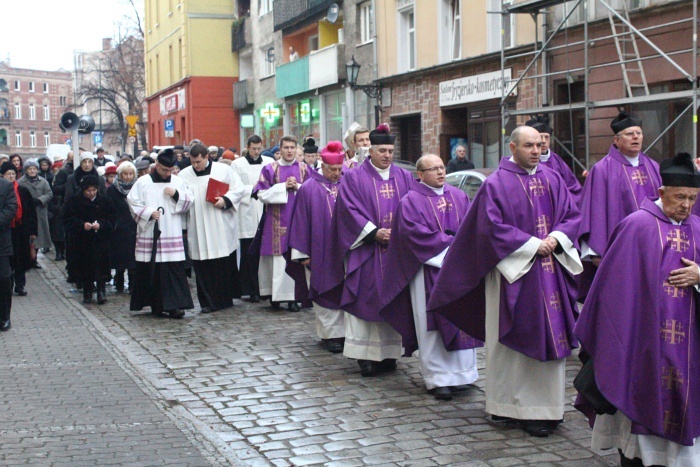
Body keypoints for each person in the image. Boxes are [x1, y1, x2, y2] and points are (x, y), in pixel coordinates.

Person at [428, 125, 582, 437]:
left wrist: (555, 237)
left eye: (539, 145)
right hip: (512, 274)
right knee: (510, 342)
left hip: (550, 270)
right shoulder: (496, 184)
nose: (536, 151)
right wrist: (529, 245)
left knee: (551, 338)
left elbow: (573, 215)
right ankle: (506, 406)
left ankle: (546, 410)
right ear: (512, 148)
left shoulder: (553, 178)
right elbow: (488, 228)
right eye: (528, 146)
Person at [574, 152, 700, 466]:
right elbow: (612, 291)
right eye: (680, 197)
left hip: (690, 345)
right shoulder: (636, 226)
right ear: (661, 193)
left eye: (693, 198)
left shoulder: (697, 227)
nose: (686, 205)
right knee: (639, 405)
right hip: (643, 342)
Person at [380, 154, 479, 400]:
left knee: (463, 318)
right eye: (433, 169)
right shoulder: (410, 201)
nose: (441, 172)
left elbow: (473, 227)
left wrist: (462, 250)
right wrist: (453, 246)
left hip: (459, 272)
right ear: (420, 175)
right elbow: (412, 235)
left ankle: (463, 375)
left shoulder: (459, 196)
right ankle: (438, 379)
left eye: (442, 167)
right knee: (431, 325)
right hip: (426, 270)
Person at [319, 123, 415, 377]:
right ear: (370, 150)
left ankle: (389, 354)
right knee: (364, 300)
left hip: (396, 254)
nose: (387, 155)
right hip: (366, 253)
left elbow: (414, 210)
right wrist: (374, 233)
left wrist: (400, 233)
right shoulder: (354, 177)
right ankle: (365, 356)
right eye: (382, 150)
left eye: (391, 151)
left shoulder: (405, 177)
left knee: (393, 300)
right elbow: (347, 211)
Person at [577, 111, 661, 300]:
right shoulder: (602, 169)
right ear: (616, 140)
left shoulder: (654, 167)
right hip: (617, 250)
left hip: (653, 246)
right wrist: (596, 252)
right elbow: (595, 210)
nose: (636, 137)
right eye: (630, 134)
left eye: (639, 133)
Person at [288, 141, 346, 353]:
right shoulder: (309, 188)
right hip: (318, 251)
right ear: (323, 165)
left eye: (339, 169)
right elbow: (301, 220)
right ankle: (330, 334)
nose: (336, 174)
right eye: (332, 170)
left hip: (344, 250)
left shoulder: (347, 185)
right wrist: (302, 253)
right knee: (324, 291)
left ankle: (346, 333)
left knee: (343, 290)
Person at [127, 149, 194, 318]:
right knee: (153, 270)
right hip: (151, 232)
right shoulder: (143, 182)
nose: (167, 173)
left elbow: (189, 200)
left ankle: (175, 305)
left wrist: (176, 195)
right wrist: (149, 213)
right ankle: (155, 305)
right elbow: (132, 201)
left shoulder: (178, 182)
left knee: (173, 270)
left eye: (170, 170)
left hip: (171, 230)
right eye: (164, 170)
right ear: (156, 165)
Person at [179, 143, 245, 313]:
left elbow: (238, 189)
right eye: (192, 162)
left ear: (207, 157)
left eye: (198, 162)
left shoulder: (222, 171)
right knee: (202, 266)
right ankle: (207, 302)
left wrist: (226, 200)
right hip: (197, 225)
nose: (195, 165)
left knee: (221, 263)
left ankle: (224, 299)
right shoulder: (184, 175)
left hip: (219, 223)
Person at [253, 135, 309, 312]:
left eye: (293, 147)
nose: (290, 151)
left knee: (295, 258)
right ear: (280, 149)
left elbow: (314, 191)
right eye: (286, 147)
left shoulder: (304, 168)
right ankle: (275, 296)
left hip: (298, 221)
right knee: (277, 261)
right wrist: (282, 187)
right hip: (275, 222)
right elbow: (260, 193)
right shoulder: (270, 168)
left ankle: (294, 297)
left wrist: (298, 187)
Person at [231, 135, 274, 303]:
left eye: (259, 148)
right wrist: (254, 189)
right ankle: (250, 289)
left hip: (264, 208)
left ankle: (264, 288)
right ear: (247, 147)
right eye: (253, 148)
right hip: (247, 209)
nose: (256, 151)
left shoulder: (268, 162)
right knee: (249, 253)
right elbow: (235, 187)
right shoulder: (237, 164)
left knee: (264, 253)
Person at [63, 175, 116, 304]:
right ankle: (87, 292)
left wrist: (101, 225)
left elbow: (112, 219)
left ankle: (101, 292)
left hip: (100, 240)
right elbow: (67, 219)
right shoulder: (74, 201)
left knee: (101, 267)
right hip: (82, 241)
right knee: (85, 267)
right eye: (88, 191)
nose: (91, 193)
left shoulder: (105, 201)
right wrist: (82, 225)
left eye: (94, 190)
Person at [525, 115, 582, 204]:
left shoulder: (557, 161)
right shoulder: (525, 161)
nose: (543, 141)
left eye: (546, 137)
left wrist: (564, 204)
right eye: (540, 137)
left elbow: (573, 188)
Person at [1, 161, 37, 297]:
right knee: (9, 260)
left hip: (21, 228)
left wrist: (33, 231)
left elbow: (31, 212)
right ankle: (8, 285)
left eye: (13, 174)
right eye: (8, 174)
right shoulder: (3, 191)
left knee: (21, 257)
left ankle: (20, 285)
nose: (11, 176)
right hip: (7, 228)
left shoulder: (22, 190)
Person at [106, 161, 138, 293]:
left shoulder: (137, 187)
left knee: (133, 258)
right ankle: (119, 280)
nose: (128, 177)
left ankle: (132, 283)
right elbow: (108, 208)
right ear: (120, 174)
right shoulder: (112, 189)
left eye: (131, 174)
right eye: (125, 174)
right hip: (118, 228)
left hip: (134, 226)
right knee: (119, 257)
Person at [18, 159, 53, 262]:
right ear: (26, 170)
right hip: (27, 212)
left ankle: (35, 258)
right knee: (28, 236)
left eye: (34, 168)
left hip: (40, 211)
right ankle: (28, 259)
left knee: (39, 237)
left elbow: (49, 194)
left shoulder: (43, 181)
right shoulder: (21, 182)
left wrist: (40, 200)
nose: (32, 171)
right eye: (30, 169)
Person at [0, 172, 18, 331]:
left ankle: (4, 316)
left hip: (1, 243)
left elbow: (12, 207)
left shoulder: (5, 186)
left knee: (4, 279)